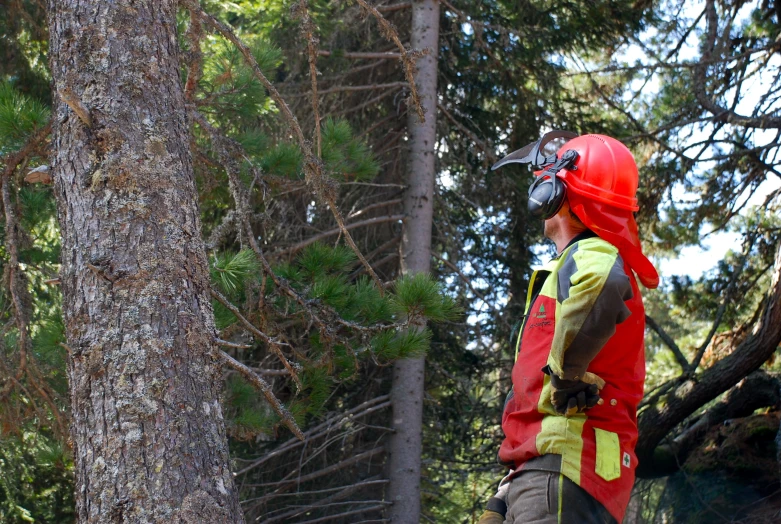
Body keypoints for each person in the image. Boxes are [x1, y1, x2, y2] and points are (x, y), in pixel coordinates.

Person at [478, 132, 659, 524]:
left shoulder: (592, 253)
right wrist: (508, 491)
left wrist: (567, 372)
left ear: (556, 193)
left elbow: (604, 283)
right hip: (547, 470)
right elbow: (536, 403)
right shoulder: (569, 266)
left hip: (566, 467)